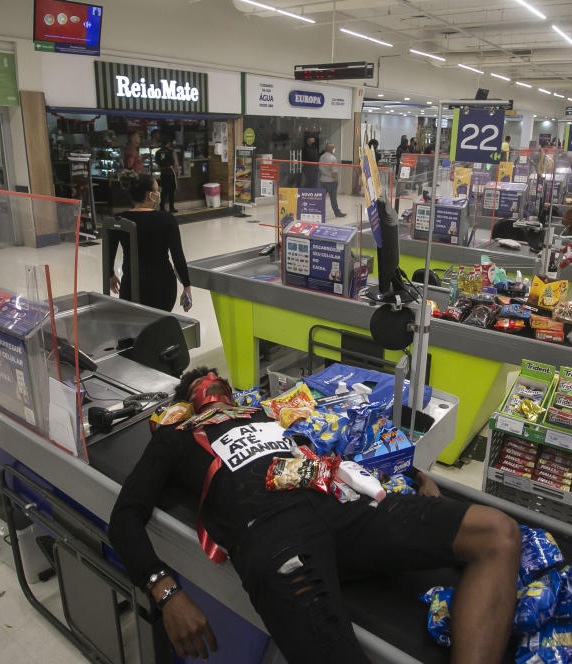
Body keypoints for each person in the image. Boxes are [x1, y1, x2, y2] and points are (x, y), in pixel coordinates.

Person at [108, 367, 521, 664]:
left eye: (218, 380)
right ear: (189, 401)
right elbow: (125, 515)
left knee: (497, 533)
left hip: (343, 516)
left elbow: (336, 455)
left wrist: (409, 475)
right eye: (203, 382)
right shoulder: (175, 438)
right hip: (275, 543)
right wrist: (164, 591)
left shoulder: (267, 415)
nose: (214, 385)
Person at [108, 174, 193, 312]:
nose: (159, 193)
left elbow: (109, 251)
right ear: (150, 195)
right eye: (157, 189)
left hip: (131, 285)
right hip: (162, 287)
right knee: (158, 327)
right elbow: (178, 256)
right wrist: (187, 286)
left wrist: (110, 275)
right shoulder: (167, 219)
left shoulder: (120, 220)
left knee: (133, 327)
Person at [319, 143, 346, 218]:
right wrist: (336, 181)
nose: (334, 149)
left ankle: (318, 212)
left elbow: (320, 168)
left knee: (321, 198)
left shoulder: (322, 157)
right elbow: (334, 172)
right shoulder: (333, 158)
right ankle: (337, 213)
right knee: (333, 199)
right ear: (331, 149)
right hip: (331, 182)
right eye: (334, 148)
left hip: (322, 180)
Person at [154, 136, 179, 214]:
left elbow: (157, 164)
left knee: (164, 191)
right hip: (171, 172)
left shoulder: (157, 152)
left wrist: (162, 169)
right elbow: (176, 163)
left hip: (163, 173)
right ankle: (171, 208)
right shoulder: (172, 151)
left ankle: (162, 208)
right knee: (171, 191)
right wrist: (176, 172)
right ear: (168, 143)